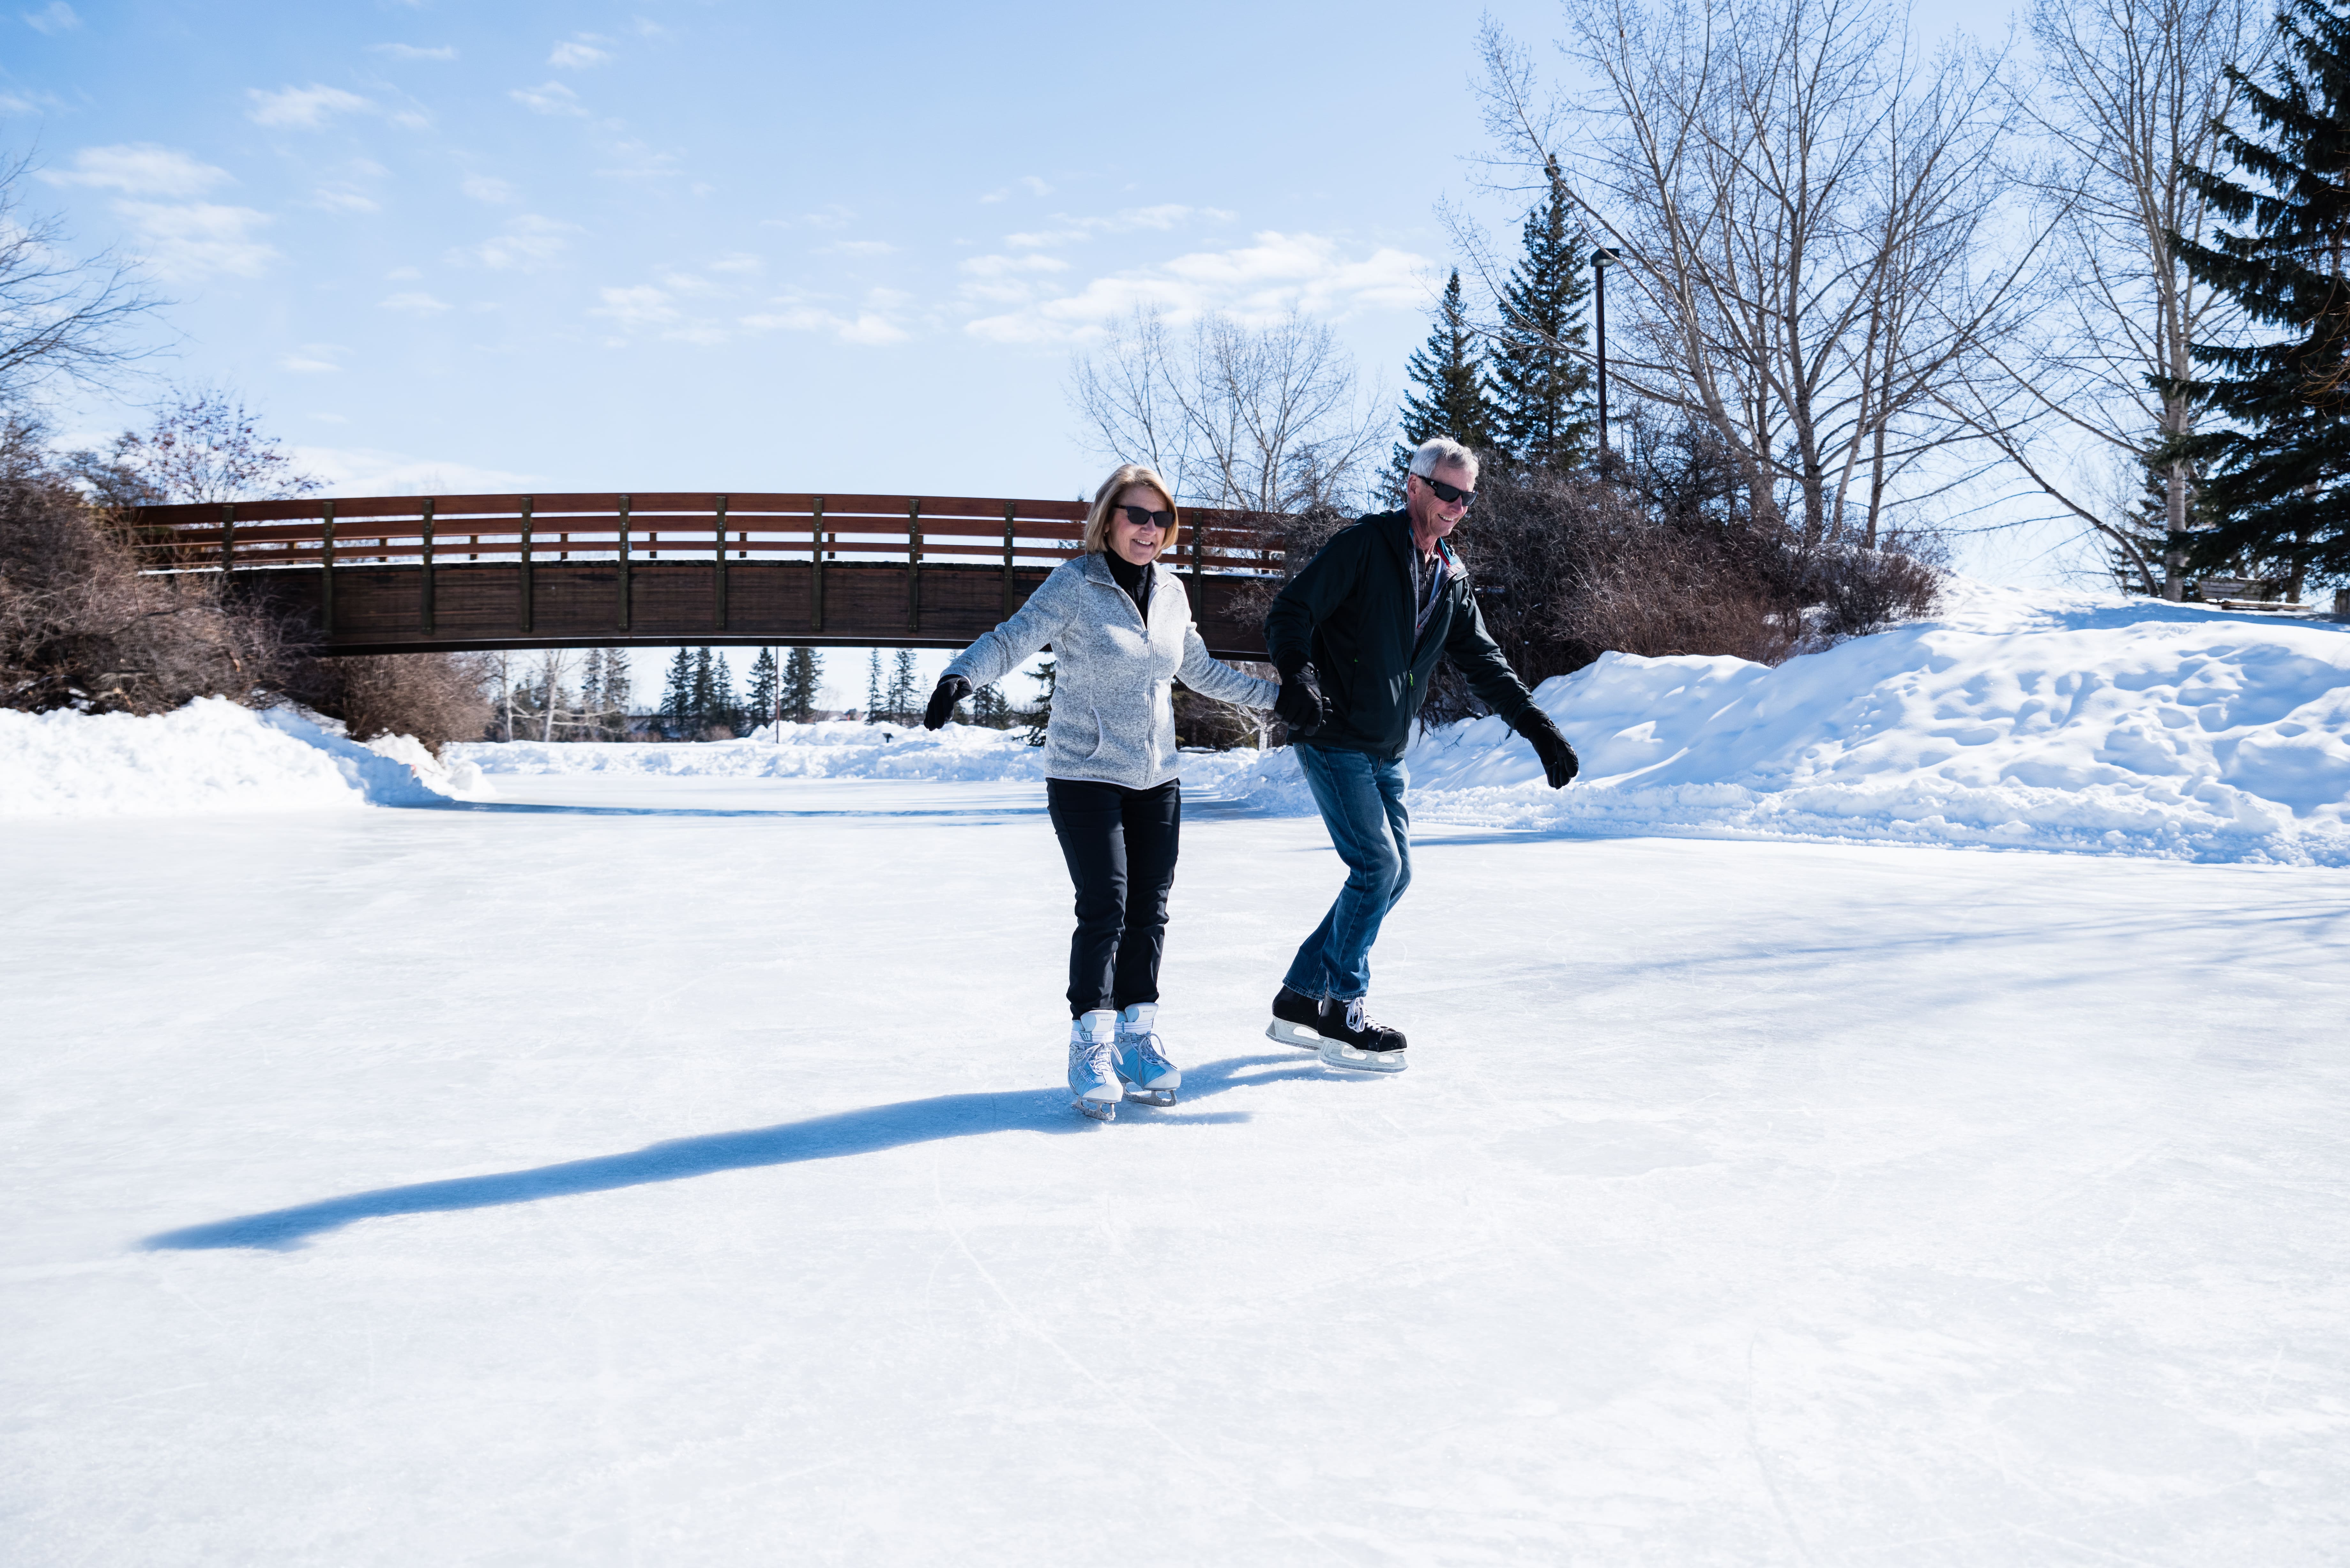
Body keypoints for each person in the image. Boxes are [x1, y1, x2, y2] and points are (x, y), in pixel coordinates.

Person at [924, 464, 1279, 1121]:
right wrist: (959, 677)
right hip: (1084, 775)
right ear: (1108, 518)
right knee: (1106, 904)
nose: (1148, 529)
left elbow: (1198, 669)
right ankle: (1090, 1040)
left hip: (1156, 776)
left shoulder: (1172, 592)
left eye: (1159, 519)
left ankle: (1138, 1035)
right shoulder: (1076, 583)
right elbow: (1013, 639)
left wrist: (1280, 699)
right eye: (1135, 515)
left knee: (1150, 907)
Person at [1261, 437, 1579, 1073]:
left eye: (1467, 497)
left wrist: (1536, 726)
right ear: (1413, 485)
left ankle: (1299, 995)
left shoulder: (1450, 577)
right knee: (1375, 865)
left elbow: (1484, 663)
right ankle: (1341, 1011)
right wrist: (1299, 674)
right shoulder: (1364, 546)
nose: (1457, 506)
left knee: (1394, 873)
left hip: (1385, 747)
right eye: (1447, 492)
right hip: (1335, 736)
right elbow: (1291, 609)